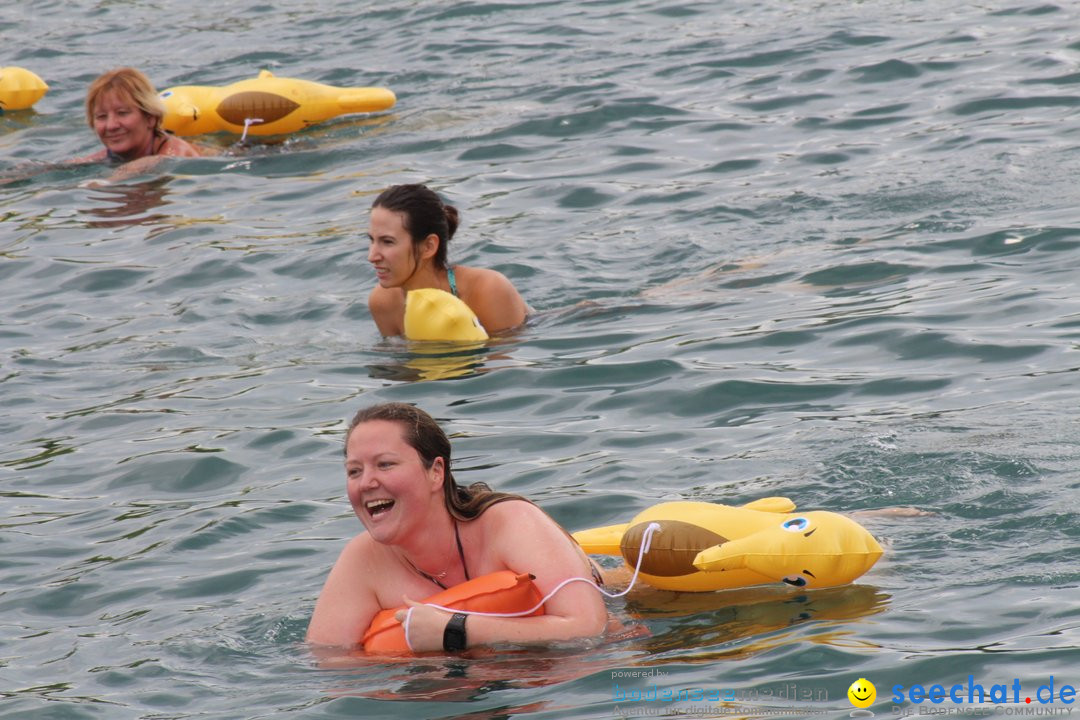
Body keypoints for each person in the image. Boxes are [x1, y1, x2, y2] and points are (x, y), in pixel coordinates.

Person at [306, 402, 607, 651]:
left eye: (385, 464)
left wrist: (456, 631)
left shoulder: (510, 524)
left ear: (436, 472)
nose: (366, 483)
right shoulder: (362, 561)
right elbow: (328, 663)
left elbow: (589, 627)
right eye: (354, 471)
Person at [366, 184, 530, 336]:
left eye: (387, 242)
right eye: (372, 240)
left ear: (428, 246)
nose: (372, 256)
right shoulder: (383, 302)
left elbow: (508, 364)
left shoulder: (487, 290)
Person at [75, 67, 203, 165]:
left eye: (122, 113)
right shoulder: (105, 157)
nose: (111, 125)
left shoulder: (175, 151)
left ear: (150, 118)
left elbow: (145, 166)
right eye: (102, 116)